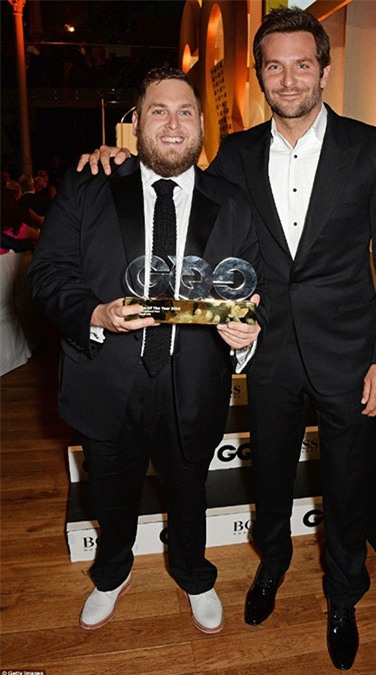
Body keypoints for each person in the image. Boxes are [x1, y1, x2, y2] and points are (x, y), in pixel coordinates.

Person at [78, 7, 376, 670]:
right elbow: (180, 187)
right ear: (260, 75)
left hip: (351, 352)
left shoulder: (374, 148)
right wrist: (117, 159)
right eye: (274, 66)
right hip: (267, 350)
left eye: (302, 65)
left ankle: (344, 592)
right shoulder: (233, 154)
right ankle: (273, 563)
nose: (288, 79)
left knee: (347, 482)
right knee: (271, 474)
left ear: (323, 71)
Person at [30, 67, 265, 636]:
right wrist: (95, 314)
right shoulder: (89, 185)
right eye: (159, 111)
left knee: (189, 490)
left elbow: (254, 292)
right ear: (135, 124)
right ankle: (111, 572)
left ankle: (193, 573)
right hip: (105, 376)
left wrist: (247, 329)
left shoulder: (233, 202)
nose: (173, 124)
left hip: (195, 382)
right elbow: (48, 274)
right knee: (110, 491)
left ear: (201, 124)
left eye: (185, 112)